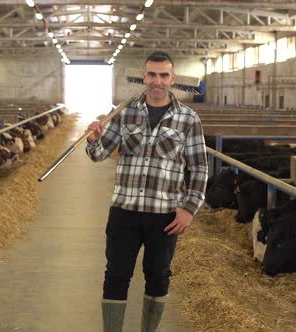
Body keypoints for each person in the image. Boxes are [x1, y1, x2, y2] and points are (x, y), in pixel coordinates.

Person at [85, 51, 208, 332]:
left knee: (158, 276)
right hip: (124, 211)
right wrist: (94, 140)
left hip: (164, 215)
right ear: (144, 76)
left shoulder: (188, 119)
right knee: (116, 275)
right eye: (152, 74)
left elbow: (200, 168)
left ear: (172, 79)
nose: (157, 81)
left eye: (164, 75)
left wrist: (189, 209)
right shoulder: (124, 112)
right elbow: (100, 154)